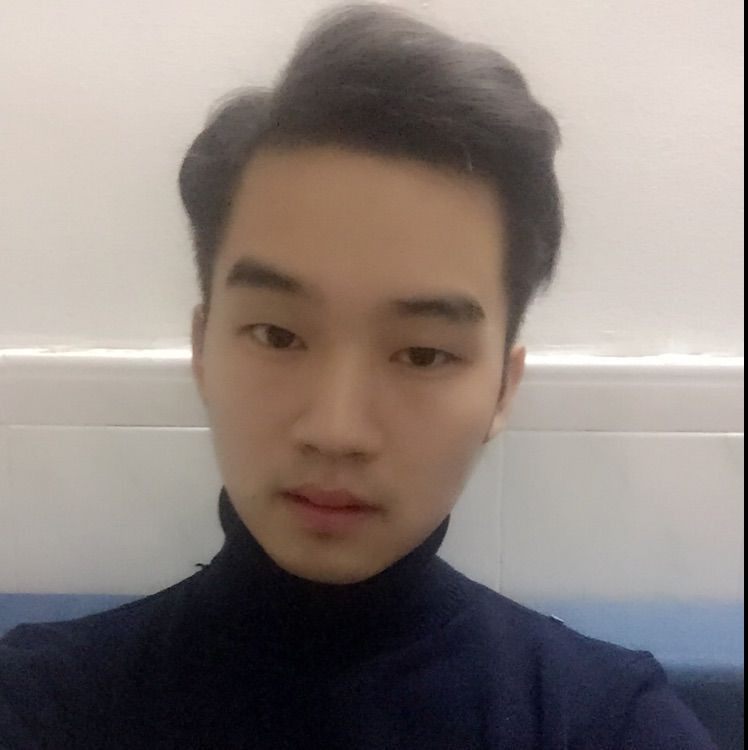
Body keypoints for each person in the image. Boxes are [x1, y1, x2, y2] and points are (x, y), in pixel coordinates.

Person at [0, 3, 717, 748]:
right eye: (278, 335)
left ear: (503, 389)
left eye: (423, 354)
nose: (335, 430)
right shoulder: (44, 706)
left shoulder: (607, 724)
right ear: (202, 349)